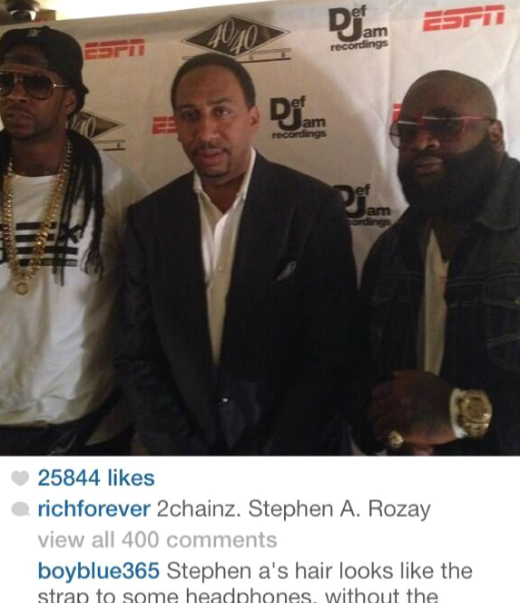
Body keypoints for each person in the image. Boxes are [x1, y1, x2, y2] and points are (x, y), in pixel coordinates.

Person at [116, 53, 358, 455]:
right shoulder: (150, 220)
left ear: (253, 118)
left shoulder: (313, 209)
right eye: (189, 115)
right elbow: (136, 354)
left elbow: (333, 351)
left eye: (221, 111)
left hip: (294, 456)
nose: (206, 132)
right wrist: (184, 455)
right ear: (176, 126)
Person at [0, 26, 147, 455]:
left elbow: (145, 310)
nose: (16, 95)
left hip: (87, 430)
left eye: (37, 83)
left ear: (70, 101)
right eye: (5, 81)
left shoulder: (115, 187)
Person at [357, 69, 520, 455]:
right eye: (407, 131)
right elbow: (359, 379)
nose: (421, 141)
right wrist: (392, 428)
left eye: (446, 125)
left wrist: (461, 414)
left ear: (494, 135)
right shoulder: (391, 250)